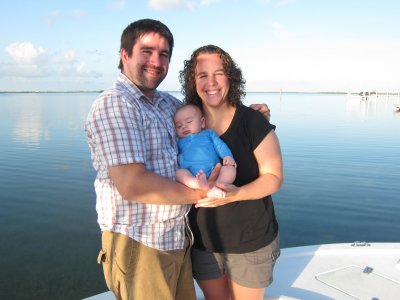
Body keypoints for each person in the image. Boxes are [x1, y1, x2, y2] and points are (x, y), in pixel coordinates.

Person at [85, 19, 271, 300]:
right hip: (140, 244)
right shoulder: (116, 104)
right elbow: (134, 185)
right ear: (125, 54)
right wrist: (204, 193)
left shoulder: (165, 104)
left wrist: (254, 116)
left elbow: (208, 117)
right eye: (147, 51)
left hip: (177, 239)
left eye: (164, 54)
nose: (156, 61)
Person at [179, 45, 284, 300]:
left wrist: (236, 194)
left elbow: (274, 178)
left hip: (251, 243)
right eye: (202, 75)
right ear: (193, 82)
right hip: (203, 244)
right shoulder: (184, 121)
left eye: (219, 73)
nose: (211, 82)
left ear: (231, 77)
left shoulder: (252, 121)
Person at [174, 104, 236, 198]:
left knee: (230, 168)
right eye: (179, 126)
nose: (184, 127)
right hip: (192, 173)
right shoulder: (179, 142)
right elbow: (177, 155)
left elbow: (219, 145)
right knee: (179, 173)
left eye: (189, 121)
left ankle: (217, 187)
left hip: (213, 168)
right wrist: (180, 160)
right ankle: (198, 184)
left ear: (202, 122)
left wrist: (227, 156)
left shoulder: (208, 134)